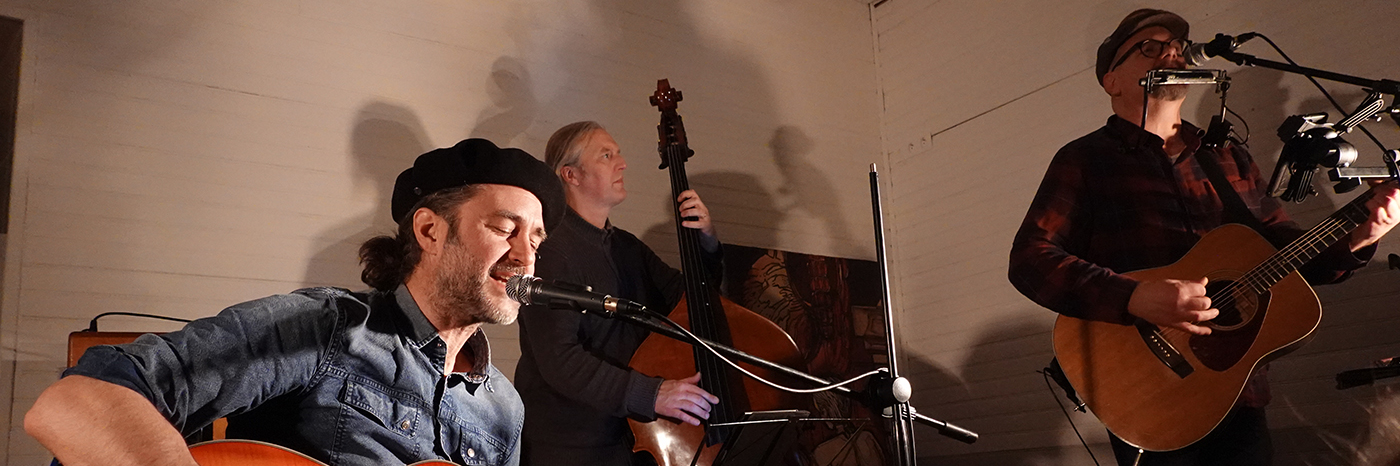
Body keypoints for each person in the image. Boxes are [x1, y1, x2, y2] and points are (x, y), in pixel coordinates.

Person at [1007, 8, 1400, 466]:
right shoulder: (1085, 159)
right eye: (1150, 48)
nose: (1172, 52)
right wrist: (1133, 297)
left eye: (1176, 46)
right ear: (1112, 80)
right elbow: (1030, 259)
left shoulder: (1229, 157)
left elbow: (1285, 254)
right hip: (1146, 392)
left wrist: (1360, 234)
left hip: (1238, 388)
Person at [25, 138, 566, 466]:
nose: (526, 255)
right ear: (429, 231)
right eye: (503, 229)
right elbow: (79, 401)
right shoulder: (327, 329)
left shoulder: (503, 409)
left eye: (536, 239)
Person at [513, 121, 722, 465]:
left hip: (628, 439)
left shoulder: (627, 248)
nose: (622, 163)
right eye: (606, 155)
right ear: (571, 175)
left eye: (618, 153)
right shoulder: (550, 251)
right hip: (571, 448)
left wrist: (707, 243)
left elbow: (692, 304)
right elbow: (561, 360)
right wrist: (651, 394)